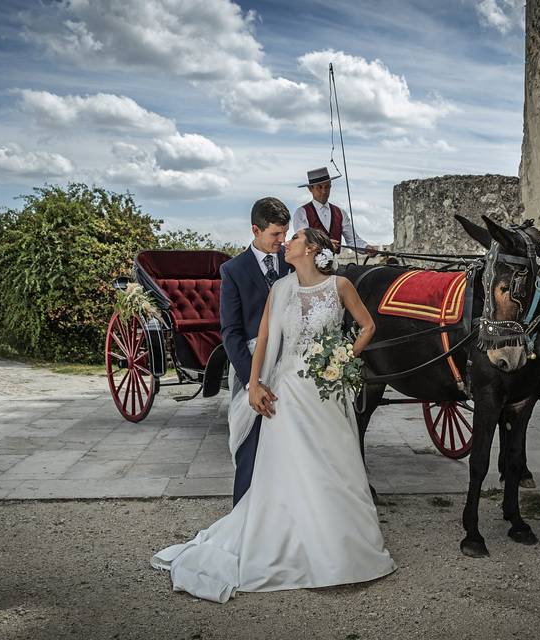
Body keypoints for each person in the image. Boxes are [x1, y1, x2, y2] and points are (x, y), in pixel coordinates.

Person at [151, 227, 395, 603]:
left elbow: (368, 326)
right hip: (288, 391)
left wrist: (345, 357)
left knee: (336, 462)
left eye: (294, 239)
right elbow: (264, 339)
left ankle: (341, 546)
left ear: (312, 249)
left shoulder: (340, 286)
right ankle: (297, 542)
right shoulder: (280, 289)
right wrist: (253, 385)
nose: (287, 243)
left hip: (327, 393)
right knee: (290, 469)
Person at [218, 197, 290, 505]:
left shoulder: (293, 261)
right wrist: (253, 381)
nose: (282, 241)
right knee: (251, 439)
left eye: (285, 233)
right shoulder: (233, 270)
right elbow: (230, 332)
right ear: (255, 230)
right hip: (251, 365)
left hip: (290, 363)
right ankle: (244, 513)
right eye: (275, 234)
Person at [292, 166, 379, 255]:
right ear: (310, 188)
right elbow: (303, 240)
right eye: (319, 187)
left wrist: (367, 248)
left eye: (327, 187)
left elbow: (352, 240)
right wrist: (326, 244)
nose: (324, 191)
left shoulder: (340, 213)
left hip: (334, 265)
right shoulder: (301, 213)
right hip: (310, 265)